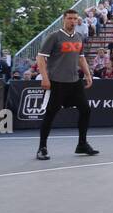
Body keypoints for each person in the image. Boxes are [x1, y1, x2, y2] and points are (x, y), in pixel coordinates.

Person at [35, 10, 99, 160]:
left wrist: (88, 74)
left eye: (75, 18)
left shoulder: (78, 37)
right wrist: (45, 78)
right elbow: (40, 58)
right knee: (50, 114)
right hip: (57, 82)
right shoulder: (54, 36)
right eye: (70, 18)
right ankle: (42, 148)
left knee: (86, 110)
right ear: (64, 20)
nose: (73, 21)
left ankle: (82, 144)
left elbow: (81, 58)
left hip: (74, 81)